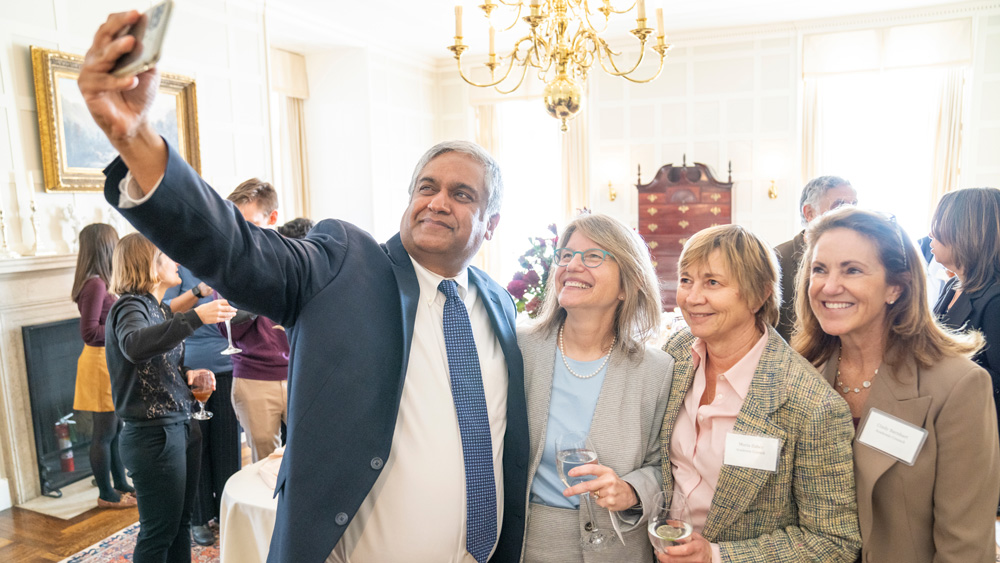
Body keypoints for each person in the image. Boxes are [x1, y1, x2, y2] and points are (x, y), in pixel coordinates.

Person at [79, 12, 528, 562]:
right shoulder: (345, 265)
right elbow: (235, 249)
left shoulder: (498, 303)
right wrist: (136, 139)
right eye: (426, 187)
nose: (437, 201)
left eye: (462, 194)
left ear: (492, 222)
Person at [794, 207, 1000, 562]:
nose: (829, 286)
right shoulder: (802, 375)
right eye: (819, 269)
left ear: (897, 287)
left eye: (852, 270)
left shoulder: (958, 386)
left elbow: (965, 546)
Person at [657, 224, 860, 563]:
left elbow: (833, 541)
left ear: (759, 294)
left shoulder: (811, 404)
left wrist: (717, 556)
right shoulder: (676, 354)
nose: (691, 298)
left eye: (712, 282)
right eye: (686, 280)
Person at [519, 214, 673, 562]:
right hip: (530, 545)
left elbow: (664, 465)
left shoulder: (656, 370)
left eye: (593, 256)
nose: (573, 265)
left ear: (626, 285)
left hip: (620, 549)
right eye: (567, 255)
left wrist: (631, 490)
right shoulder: (519, 349)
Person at [105, 233, 235, 563]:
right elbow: (135, 346)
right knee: (158, 532)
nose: (176, 262)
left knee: (180, 525)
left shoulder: (158, 308)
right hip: (153, 436)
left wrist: (187, 373)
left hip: (179, 425)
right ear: (149, 265)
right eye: (167, 256)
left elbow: (156, 362)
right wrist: (196, 317)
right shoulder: (129, 306)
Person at [929, 187, 1000, 515]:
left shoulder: (996, 300)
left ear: (966, 232)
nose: (931, 233)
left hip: (979, 437)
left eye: (940, 224)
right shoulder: (953, 285)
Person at [163, 266, 239, 546]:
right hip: (193, 369)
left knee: (228, 445)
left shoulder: (227, 265)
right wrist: (198, 291)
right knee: (197, 446)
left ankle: (226, 511)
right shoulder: (178, 272)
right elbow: (168, 311)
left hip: (228, 366)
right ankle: (199, 518)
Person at [217, 179, 289, 462]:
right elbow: (223, 327)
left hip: (299, 372)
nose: (241, 233)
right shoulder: (227, 264)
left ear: (272, 218)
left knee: (313, 455)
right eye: (235, 223)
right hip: (253, 376)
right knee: (265, 463)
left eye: (249, 222)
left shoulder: (295, 256)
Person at [70, 223, 136, 509]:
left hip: (107, 360)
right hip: (98, 363)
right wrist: (121, 331)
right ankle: (106, 494)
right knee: (104, 432)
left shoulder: (103, 281)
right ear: (107, 247)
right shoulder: (95, 284)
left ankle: (120, 483)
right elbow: (89, 332)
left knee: (116, 429)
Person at [774, 176, 857, 341]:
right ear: (809, 213)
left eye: (854, 205)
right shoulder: (777, 259)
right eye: (840, 206)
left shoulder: (859, 258)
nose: (851, 214)